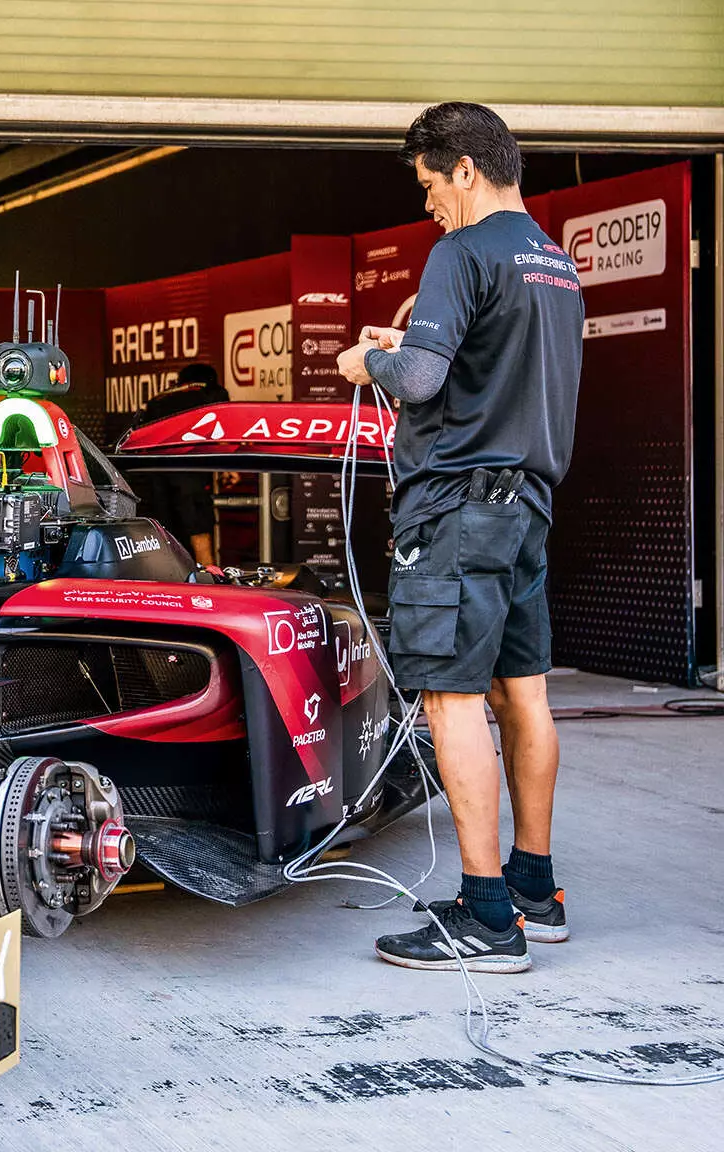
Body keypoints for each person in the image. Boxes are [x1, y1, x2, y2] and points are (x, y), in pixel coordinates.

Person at [337, 102, 582, 973]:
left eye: (430, 183)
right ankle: (534, 891)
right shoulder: (555, 264)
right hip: (527, 507)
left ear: (466, 170)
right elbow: (479, 373)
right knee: (525, 694)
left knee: (450, 700)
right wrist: (410, 344)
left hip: (456, 513)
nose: (429, 204)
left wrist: (372, 361)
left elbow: (425, 378)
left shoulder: (460, 253)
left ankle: (485, 919)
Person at [132, 363, 227, 565]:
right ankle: (209, 585)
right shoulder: (212, 393)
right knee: (199, 535)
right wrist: (228, 469)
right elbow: (223, 429)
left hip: (155, 478)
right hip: (190, 474)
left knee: (165, 540)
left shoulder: (158, 399)